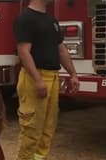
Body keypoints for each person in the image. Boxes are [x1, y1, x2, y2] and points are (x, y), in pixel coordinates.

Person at [13, 0, 80, 159]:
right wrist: (37, 80)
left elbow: (61, 50)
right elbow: (23, 52)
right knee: (31, 129)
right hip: (34, 78)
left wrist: (73, 74)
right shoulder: (25, 19)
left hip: (52, 77)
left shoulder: (52, 21)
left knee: (48, 128)